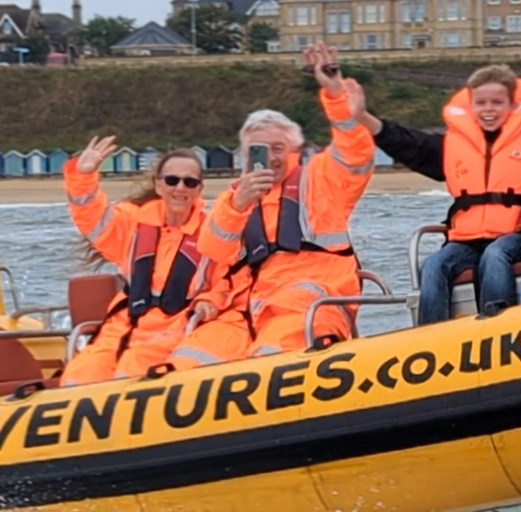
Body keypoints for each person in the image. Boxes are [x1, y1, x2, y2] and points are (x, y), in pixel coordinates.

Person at [168, 41, 374, 361]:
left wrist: (335, 95)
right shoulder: (233, 198)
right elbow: (213, 252)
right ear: (245, 155)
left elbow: (356, 153)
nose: (270, 158)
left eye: (278, 148)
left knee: (272, 354)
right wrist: (239, 205)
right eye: (259, 150)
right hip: (243, 311)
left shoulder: (320, 180)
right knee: (189, 359)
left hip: (306, 305)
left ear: (292, 150)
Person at [357, 64, 521, 324]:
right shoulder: (453, 145)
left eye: (497, 102)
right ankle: (430, 337)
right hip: (466, 240)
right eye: (481, 102)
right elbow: (411, 144)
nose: (488, 109)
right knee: (434, 265)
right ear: (471, 106)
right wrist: (365, 118)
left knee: (495, 256)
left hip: (517, 236)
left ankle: (498, 327)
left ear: (511, 105)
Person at [60, 142, 227, 385]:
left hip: (174, 330)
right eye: (172, 180)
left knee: (131, 374)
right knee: (78, 378)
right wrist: (83, 175)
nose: (180, 188)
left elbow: (228, 282)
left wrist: (209, 301)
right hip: (121, 327)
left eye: (189, 182)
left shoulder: (212, 232)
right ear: (159, 185)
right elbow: (89, 214)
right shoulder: (131, 224)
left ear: (199, 189)